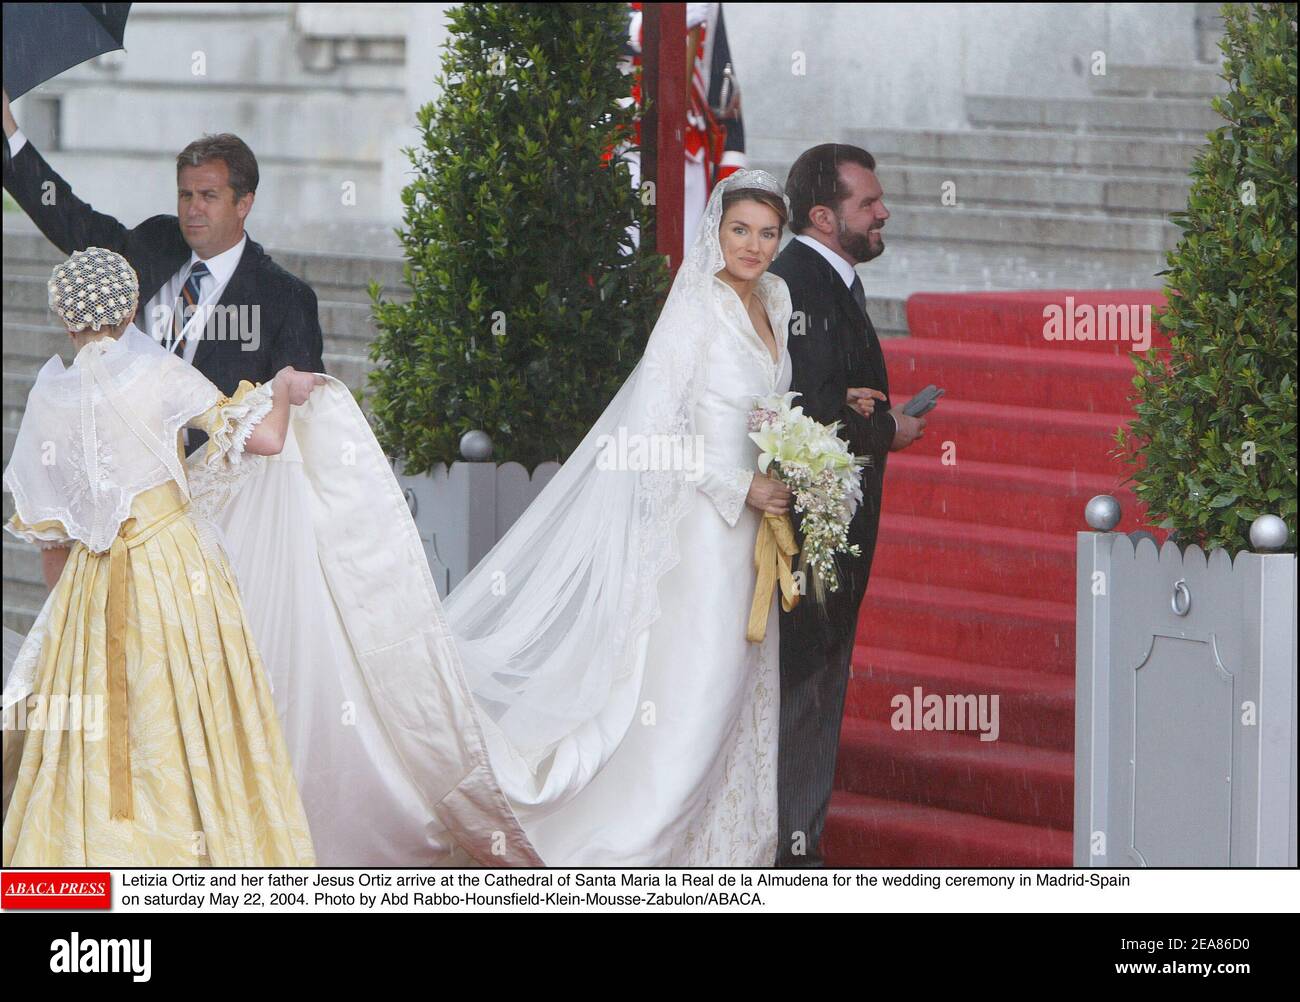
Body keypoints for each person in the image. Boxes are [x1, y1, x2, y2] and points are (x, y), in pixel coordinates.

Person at [184, 169, 797, 866]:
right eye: (739, 230)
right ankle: (645, 847)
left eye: (767, 233)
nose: (752, 246)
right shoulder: (697, 309)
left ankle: (726, 849)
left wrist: (795, 462)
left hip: (758, 533)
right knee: (696, 693)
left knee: (741, 689)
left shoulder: (775, 301)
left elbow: (770, 409)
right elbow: (652, 429)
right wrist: (734, 483)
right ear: (715, 232)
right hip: (700, 531)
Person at [1, 247, 323, 867]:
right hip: (178, 569)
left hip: (91, 584)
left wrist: (71, 626)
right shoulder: (162, 374)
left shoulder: (49, 401)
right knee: (195, 710)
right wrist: (282, 387)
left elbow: (52, 543)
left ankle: (88, 866)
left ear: (67, 322)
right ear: (129, 313)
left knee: (91, 729)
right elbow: (268, 438)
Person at [1, 89, 324, 455]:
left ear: (243, 204)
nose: (193, 209)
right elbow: (72, 221)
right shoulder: (156, 242)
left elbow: (299, 420)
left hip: (216, 486)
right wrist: (8, 126)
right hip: (125, 464)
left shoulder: (285, 298)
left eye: (209, 196)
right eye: (185, 195)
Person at [768, 143, 927, 866]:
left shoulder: (828, 278)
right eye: (869, 202)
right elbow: (802, 413)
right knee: (804, 693)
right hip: (807, 534)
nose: (883, 210)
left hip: (831, 527)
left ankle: (797, 843)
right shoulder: (799, 283)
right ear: (824, 216)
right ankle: (791, 855)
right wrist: (889, 426)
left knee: (816, 691)